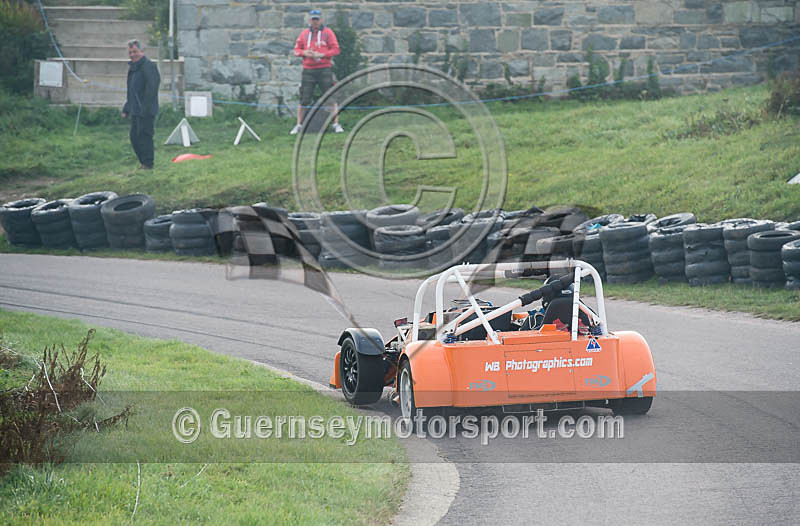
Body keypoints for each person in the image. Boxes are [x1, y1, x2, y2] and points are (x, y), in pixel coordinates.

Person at [290, 9, 343, 135]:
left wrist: (323, 54)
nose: (315, 22)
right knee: (304, 99)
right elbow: (296, 49)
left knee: (330, 97)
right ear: (310, 20)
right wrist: (304, 53)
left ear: (321, 20)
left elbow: (336, 50)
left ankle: (336, 124)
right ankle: (299, 125)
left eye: (317, 19)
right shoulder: (303, 34)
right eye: (313, 19)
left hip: (324, 69)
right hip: (308, 70)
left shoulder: (328, 33)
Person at [122, 39, 161, 169]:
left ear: (142, 51)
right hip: (135, 110)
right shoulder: (132, 68)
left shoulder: (149, 66)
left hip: (146, 110)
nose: (132, 54)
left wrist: (145, 108)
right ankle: (143, 162)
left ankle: (148, 164)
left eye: (135, 51)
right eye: (130, 52)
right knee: (134, 138)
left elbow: (152, 88)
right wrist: (127, 108)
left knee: (145, 137)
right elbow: (131, 91)